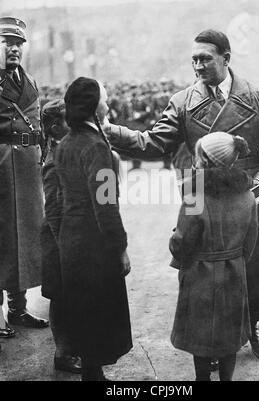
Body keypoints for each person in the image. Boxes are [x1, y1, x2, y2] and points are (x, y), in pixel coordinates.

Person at [103, 29, 259, 361]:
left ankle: (252, 328)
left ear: (226, 58)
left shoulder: (257, 96)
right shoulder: (182, 102)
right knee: (210, 272)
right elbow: (154, 143)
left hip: (250, 196)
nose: (198, 66)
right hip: (203, 197)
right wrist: (111, 132)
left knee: (251, 266)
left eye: (205, 58)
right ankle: (215, 341)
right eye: (193, 59)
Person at [55, 77, 132, 381]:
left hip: (71, 241)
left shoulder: (66, 144)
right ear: (92, 106)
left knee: (82, 313)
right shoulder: (97, 148)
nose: (108, 101)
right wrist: (121, 249)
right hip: (94, 246)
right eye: (104, 97)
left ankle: (91, 372)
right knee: (99, 315)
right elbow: (106, 207)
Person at [169, 132, 257, 381]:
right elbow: (250, 242)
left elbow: (181, 243)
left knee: (201, 336)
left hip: (200, 275)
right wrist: (235, 262)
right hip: (234, 274)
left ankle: (202, 379)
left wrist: (175, 241)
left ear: (205, 162)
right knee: (229, 338)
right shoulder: (247, 196)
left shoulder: (194, 196)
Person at [0, 16, 48, 337]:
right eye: (7, 43)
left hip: (28, 167)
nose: (14, 49)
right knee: (2, 235)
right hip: (1, 165)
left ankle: (18, 308)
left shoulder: (28, 79)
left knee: (27, 236)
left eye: (18, 44)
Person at [40, 99, 81, 374]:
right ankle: (63, 353)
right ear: (55, 128)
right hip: (60, 240)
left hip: (70, 237)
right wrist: (66, 247)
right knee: (61, 298)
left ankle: (73, 348)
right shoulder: (55, 162)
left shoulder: (67, 152)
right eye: (69, 121)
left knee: (72, 296)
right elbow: (54, 211)